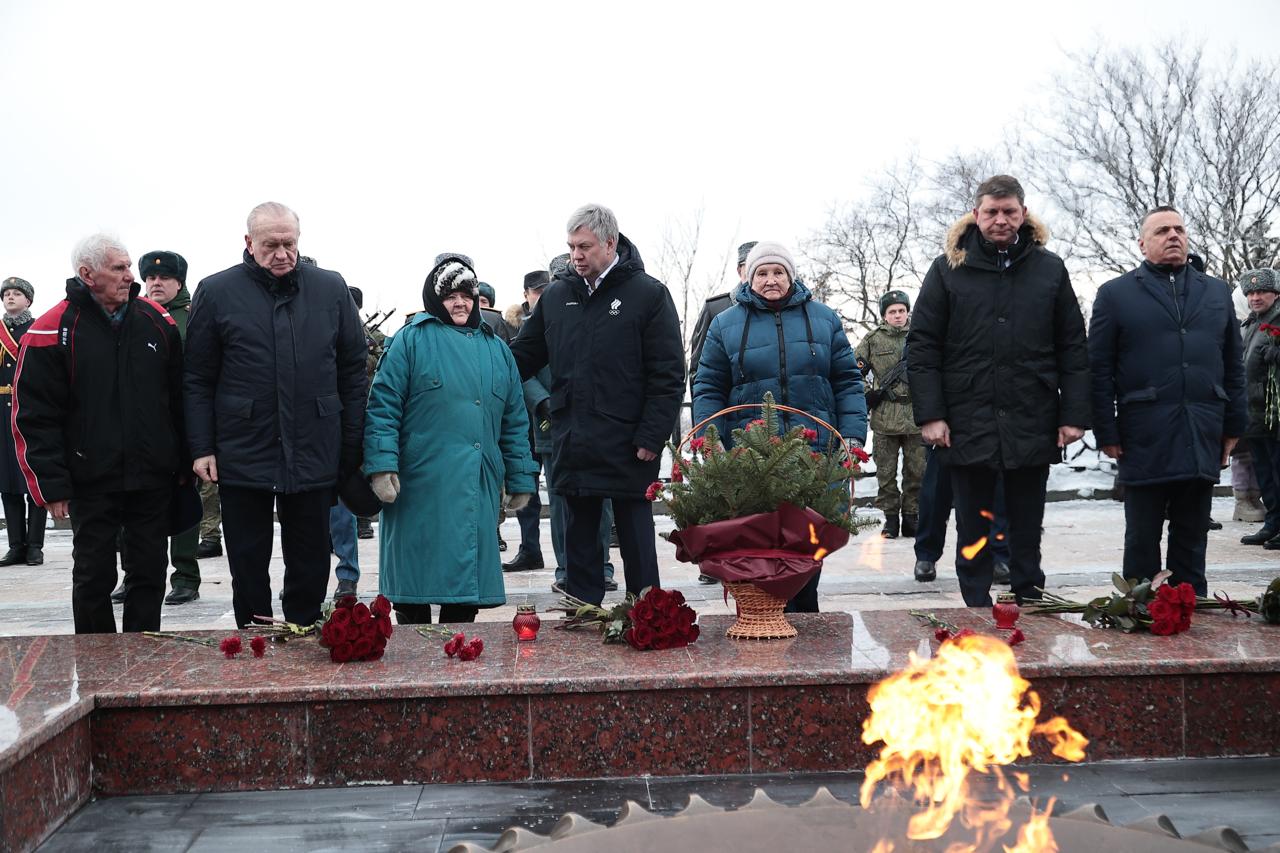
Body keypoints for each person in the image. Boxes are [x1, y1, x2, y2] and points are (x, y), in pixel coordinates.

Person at [909, 175, 1089, 608]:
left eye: (1009, 211)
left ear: (1023, 214)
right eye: (991, 211)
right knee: (973, 523)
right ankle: (976, 603)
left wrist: (1074, 414)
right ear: (976, 215)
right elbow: (923, 345)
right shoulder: (948, 268)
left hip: (1032, 413)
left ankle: (1030, 595)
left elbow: (1072, 345)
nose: (1000, 220)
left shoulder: (1050, 269)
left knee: (1027, 521)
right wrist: (931, 414)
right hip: (967, 418)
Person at [184, 202, 367, 628]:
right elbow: (196, 377)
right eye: (271, 245)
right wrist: (201, 446)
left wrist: (351, 442)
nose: (282, 253)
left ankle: (303, 628)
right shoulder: (216, 291)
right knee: (247, 555)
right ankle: (255, 634)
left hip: (314, 442)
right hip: (243, 445)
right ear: (249, 243)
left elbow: (352, 369)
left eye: (289, 243)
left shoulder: (330, 288)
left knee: (310, 553)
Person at [510, 204, 684, 606]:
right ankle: (582, 611)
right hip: (575, 437)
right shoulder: (556, 296)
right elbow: (521, 356)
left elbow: (669, 374)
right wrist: (478, 360)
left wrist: (652, 435)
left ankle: (648, 613)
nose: (576, 255)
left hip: (629, 440)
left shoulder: (649, 295)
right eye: (571, 247)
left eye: (584, 246)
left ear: (610, 243)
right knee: (579, 539)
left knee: (636, 540)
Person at [13, 235, 185, 632]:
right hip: (90, 479)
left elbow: (178, 399)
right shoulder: (49, 330)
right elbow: (33, 417)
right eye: (119, 268)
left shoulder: (158, 321)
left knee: (149, 572)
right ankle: (97, 668)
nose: (131, 276)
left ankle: (144, 662)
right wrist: (50, 485)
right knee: (94, 576)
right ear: (87, 274)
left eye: (128, 267)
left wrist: (181, 462)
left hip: (150, 476)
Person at [693, 241, 867, 612]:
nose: (770, 280)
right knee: (757, 546)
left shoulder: (824, 318)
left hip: (813, 450)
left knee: (808, 544)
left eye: (778, 272)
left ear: (791, 275)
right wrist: (711, 438)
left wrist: (851, 435)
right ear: (749, 277)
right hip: (750, 453)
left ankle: (805, 616)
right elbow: (708, 386)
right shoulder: (725, 324)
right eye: (762, 273)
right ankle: (758, 615)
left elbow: (848, 381)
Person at [364, 254, 537, 624]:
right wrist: (381, 466)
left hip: (476, 484)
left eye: (467, 295)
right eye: (450, 296)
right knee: (414, 594)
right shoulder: (409, 341)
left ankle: (460, 669)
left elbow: (514, 419)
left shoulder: (497, 349)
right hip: (417, 485)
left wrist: (521, 477)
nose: (460, 303)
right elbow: (383, 407)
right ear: (433, 298)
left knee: (463, 600)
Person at [1088, 205, 1246, 595]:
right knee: (1142, 536)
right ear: (1142, 244)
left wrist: (1234, 427)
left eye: (1179, 229)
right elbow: (1098, 369)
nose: (1173, 235)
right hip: (1144, 433)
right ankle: (1141, 610)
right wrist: (1106, 430)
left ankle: (1190, 607)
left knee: (1192, 535)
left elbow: (1233, 364)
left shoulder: (1216, 291)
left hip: (1202, 428)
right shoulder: (1115, 294)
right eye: (1161, 231)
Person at [141, 251, 202, 605]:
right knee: (138, 506)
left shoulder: (191, 318)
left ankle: (185, 576)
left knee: (182, 502)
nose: (155, 283)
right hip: (144, 427)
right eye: (149, 278)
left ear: (179, 282)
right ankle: (142, 574)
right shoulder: (137, 314)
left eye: (163, 278)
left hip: (180, 426)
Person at [855, 289, 924, 540]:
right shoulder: (872, 340)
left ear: (908, 312)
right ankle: (891, 519)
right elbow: (852, 372)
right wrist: (867, 394)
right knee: (886, 473)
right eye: (892, 312)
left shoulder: (921, 335)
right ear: (884, 315)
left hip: (916, 416)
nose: (897, 315)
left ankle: (912, 517)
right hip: (885, 416)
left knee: (917, 471)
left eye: (902, 311)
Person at [0, 276, 45, 566]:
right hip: (2, 411)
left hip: (30, 409)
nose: (10, 298)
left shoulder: (38, 329)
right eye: (6, 295)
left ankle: (35, 545)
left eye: (17, 294)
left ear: (28, 300)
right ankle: (16, 545)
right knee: (6, 479)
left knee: (33, 479)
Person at [1237, 268, 1280, 548]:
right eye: (1250, 293)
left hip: (1275, 412)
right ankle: (1274, 522)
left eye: (1261, 291)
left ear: (1275, 294)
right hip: (1254, 411)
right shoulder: (1251, 323)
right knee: (1265, 472)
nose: (1255, 297)